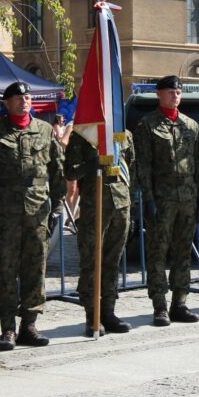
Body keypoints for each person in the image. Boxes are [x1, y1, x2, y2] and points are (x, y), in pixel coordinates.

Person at [0, 82, 65, 351]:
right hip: (5, 213)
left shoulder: (45, 131)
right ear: (7, 102)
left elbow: (57, 171)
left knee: (35, 268)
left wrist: (57, 208)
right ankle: (8, 328)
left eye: (27, 97)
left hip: (37, 212)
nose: (24, 101)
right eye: (18, 97)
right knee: (6, 269)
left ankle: (30, 325)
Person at [135, 74, 199, 325]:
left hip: (187, 197)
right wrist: (148, 199)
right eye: (170, 92)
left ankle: (180, 303)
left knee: (183, 253)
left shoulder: (191, 126)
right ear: (159, 94)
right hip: (162, 199)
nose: (175, 95)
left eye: (178, 92)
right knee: (158, 253)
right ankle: (160, 305)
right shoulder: (148, 125)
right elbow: (143, 165)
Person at [64, 128, 134, 335]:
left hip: (121, 204)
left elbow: (131, 166)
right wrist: (91, 163)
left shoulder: (124, 133)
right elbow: (70, 171)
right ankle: (92, 315)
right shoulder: (83, 134)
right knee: (91, 260)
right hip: (95, 204)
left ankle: (109, 312)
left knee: (113, 260)